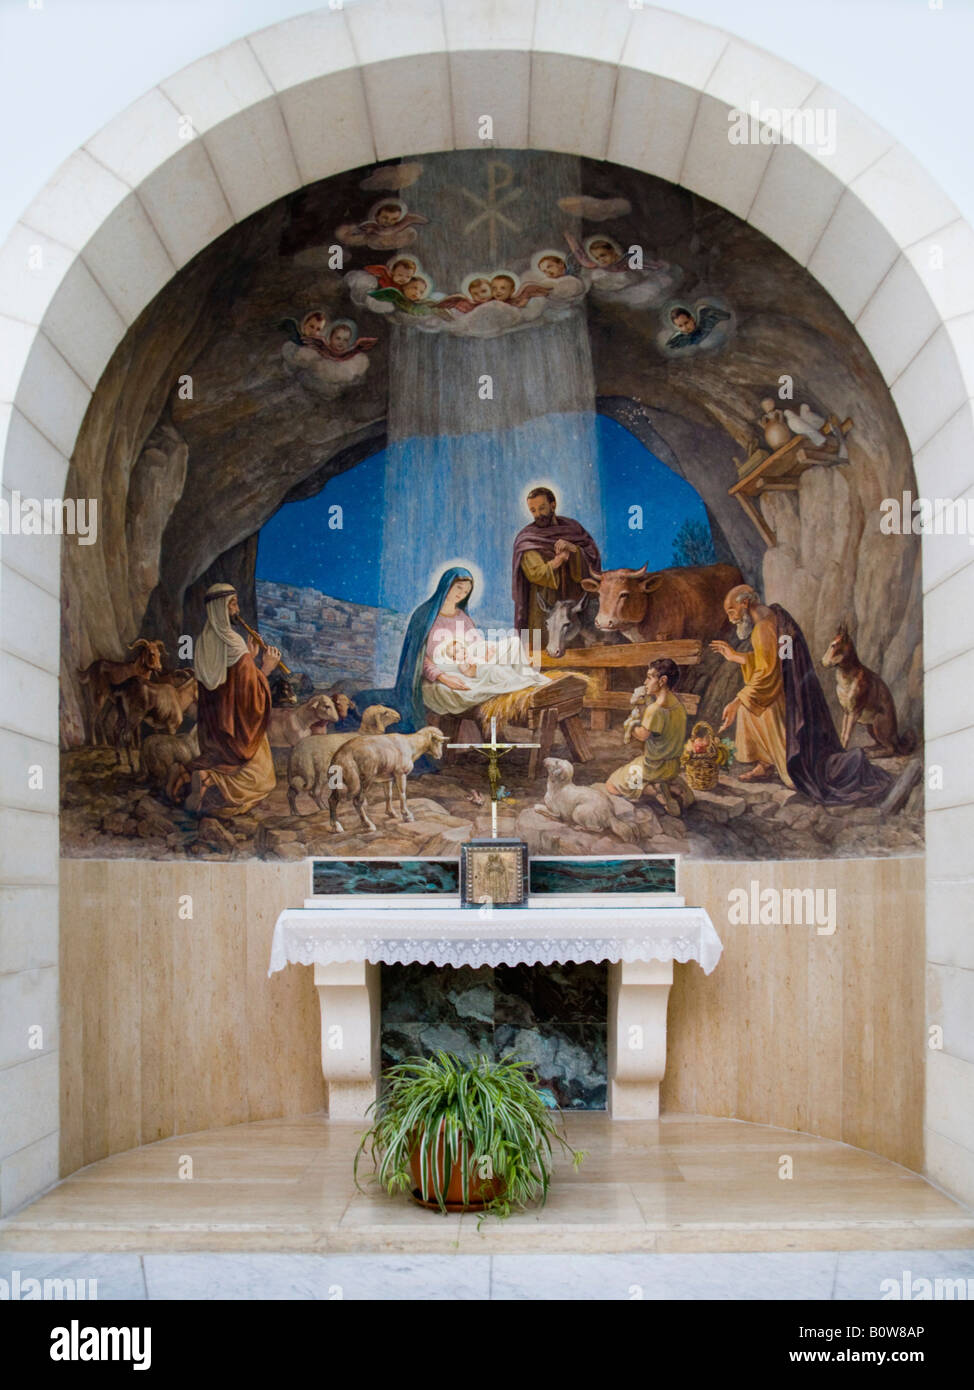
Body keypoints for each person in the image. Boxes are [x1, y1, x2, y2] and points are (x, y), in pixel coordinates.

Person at [711, 584, 892, 804]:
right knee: (749, 701)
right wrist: (735, 657)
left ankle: (785, 765)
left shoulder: (762, 629)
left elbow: (767, 673)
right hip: (791, 689)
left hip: (784, 697)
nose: (731, 619)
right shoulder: (777, 616)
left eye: (732, 611)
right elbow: (777, 661)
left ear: (745, 603)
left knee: (747, 708)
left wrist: (736, 702)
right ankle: (766, 764)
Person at [184, 583, 280, 816]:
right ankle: (211, 778)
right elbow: (249, 695)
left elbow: (226, 686)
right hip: (237, 729)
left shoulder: (204, 641)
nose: (237, 609)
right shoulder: (233, 642)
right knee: (264, 780)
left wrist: (249, 658)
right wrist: (266, 668)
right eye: (233, 604)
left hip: (214, 731)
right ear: (221, 608)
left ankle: (207, 778)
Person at [511, 487, 601, 636]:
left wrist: (573, 549)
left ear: (553, 505)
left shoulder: (573, 529)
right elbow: (535, 573)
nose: (538, 514)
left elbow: (592, 560)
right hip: (543, 606)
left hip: (574, 603)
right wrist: (558, 561)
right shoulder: (528, 538)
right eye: (533, 510)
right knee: (543, 644)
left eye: (542, 508)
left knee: (579, 642)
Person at [606, 657, 689, 815]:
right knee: (634, 765)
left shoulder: (655, 709)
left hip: (653, 767)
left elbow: (642, 735)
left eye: (650, 677)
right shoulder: (678, 705)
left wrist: (631, 723)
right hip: (673, 766)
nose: (645, 682)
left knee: (611, 785)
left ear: (662, 681)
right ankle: (665, 787)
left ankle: (655, 792)